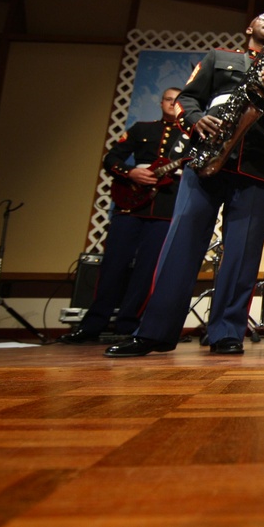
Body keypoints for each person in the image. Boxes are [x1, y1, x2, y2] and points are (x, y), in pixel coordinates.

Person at [104, 13, 264, 357]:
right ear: (249, 28)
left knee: (242, 257)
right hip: (205, 161)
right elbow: (187, 100)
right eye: (263, 17)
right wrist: (199, 121)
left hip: (257, 169)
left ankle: (226, 333)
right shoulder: (219, 57)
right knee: (180, 249)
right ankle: (154, 332)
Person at [59, 88, 187, 344]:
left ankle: (129, 326)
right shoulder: (141, 129)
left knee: (146, 272)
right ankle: (93, 324)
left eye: (178, 101)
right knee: (112, 266)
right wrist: (130, 173)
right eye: (169, 100)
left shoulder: (189, 138)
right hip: (130, 204)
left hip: (163, 209)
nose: (173, 105)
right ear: (161, 102)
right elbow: (111, 159)